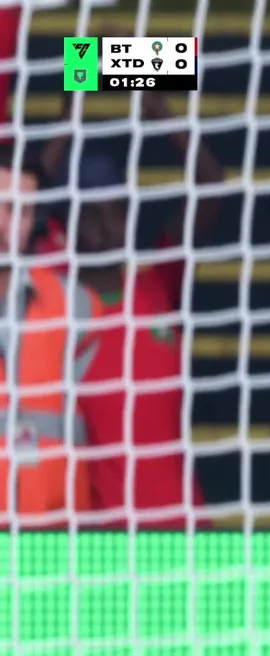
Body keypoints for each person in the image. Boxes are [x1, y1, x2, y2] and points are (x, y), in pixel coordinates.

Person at [36, 92, 222, 528]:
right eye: (90, 215)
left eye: (114, 211)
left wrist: (162, 113)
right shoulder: (53, 299)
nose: (105, 226)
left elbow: (211, 185)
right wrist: (67, 122)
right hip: (110, 540)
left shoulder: (156, 282)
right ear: (68, 225)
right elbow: (18, 207)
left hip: (186, 529)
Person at [0, 144, 102, 527]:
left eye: (23, 212)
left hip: (53, 541)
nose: (10, 226)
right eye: (3, 208)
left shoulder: (77, 308)